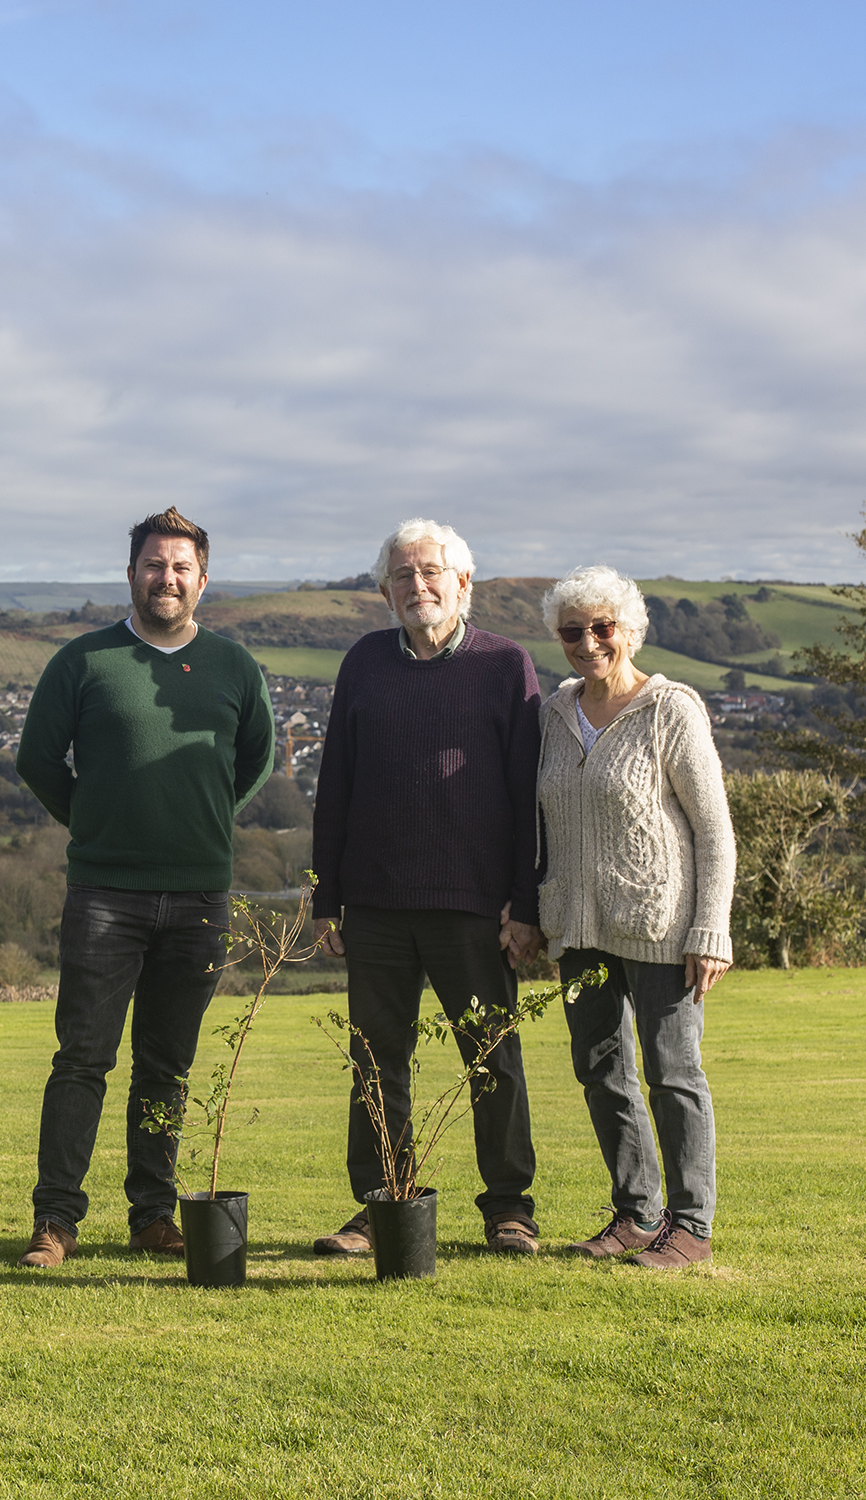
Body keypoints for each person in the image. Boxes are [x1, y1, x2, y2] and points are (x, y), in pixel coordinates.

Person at [11, 507, 277, 1268]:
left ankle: (152, 1215)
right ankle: (55, 1221)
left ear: (202, 578)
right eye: (155, 565)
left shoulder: (234, 667)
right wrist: (96, 825)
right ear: (130, 574)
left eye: (182, 567)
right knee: (82, 1060)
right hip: (105, 893)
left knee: (168, 1066)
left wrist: (204, 823)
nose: (168, 578)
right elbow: (37, 760)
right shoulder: (83, 662)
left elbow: (254, 761)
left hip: (199, 898)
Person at [309, 518, 547, 1257]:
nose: (418, 587)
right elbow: (336, 785)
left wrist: (527, 903)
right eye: (403, 576)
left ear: (462, 582)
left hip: (475, 906)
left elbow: (527, 795)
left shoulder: (506, 666)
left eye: (431, 573)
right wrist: (326, 897)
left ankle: (509, 1207)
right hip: (376, 905)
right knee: (377, 1063)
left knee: (491, 1058)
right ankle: (382, 1202)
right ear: (385, 591)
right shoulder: (364, 663)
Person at [535, 565, 734, 1270]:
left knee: (673, 1071)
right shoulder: (554, 714)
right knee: (601, 1071)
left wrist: (712, 930)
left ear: (628, 628)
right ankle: (635, 1211)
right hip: (579, 929)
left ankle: (691, 1226)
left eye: (602, 627)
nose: (587, 642)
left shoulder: (670, 709)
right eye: (572, 631)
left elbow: (713, 830)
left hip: (661, 925)